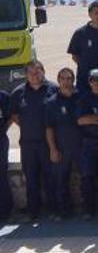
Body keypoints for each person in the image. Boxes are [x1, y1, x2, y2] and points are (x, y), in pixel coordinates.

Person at [10, 61, 57, 222]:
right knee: (31, 178)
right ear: (26, 75)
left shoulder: (53, 89)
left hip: (48, 143)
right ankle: (33, 211)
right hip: (28, 143)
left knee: (50, 177)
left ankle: (53, 210)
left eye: (37, 72)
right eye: (30, 73)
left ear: (43, 72)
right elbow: (14, 114)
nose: (34, 76)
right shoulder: (18, 92)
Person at [45, 68, 81, 221]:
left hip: (81, 146)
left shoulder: (81, 97)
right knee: (61, 180)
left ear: (73, 80)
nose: (66, 82)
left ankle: (90, 210)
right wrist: (53, 149)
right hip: (62, 147)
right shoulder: (52, 102)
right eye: (63, 79)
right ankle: (64, 211)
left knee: (88, 178)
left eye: (69, 78)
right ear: (58, 81)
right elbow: (49, 128)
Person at [76, 68, 98, 222]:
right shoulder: (84, 99)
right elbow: (80, 120)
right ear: (89, 82)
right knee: (87, 177)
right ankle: (88, 209)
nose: (97, 83)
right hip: (89, 143)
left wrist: (92, 118)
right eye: (93, 80)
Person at [68, 0, 98, 94]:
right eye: (97, 13)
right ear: (90, 15)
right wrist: (85, 66)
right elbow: (74, 56)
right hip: (84, 79)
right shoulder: (80, 33)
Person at [0, 81, 11, 221]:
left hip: (0, 141)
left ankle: (5, 211)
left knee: (1, 175)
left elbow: (10, 117)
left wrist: (2, 131)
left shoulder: (2, 96)